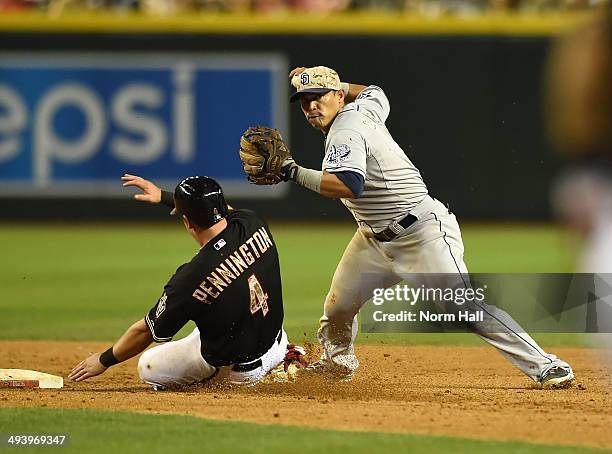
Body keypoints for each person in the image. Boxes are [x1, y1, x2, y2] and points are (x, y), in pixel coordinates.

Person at [273, 65, 575, 387]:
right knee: (338, 309)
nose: (311, 106)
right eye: (305, 100)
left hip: (421, 233)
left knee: (464, 308)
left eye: (318, 97)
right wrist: (329, 82)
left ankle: (546, 364)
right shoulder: (363, 106)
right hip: (372, 241)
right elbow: (375, 91)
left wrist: (291, 171)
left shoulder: (346, 130)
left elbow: (348, 184)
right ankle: (337, 365)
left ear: (336, 97)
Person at [69, 175, 301, 389]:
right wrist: (165, 197)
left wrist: (103, 359)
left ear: (187, 222)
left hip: (241, 370)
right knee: (212, 312)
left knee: (148, 366)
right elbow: (226, 212)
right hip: (275, 340)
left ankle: (256, 377)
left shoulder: (191, 277)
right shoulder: (252, 222)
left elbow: (145, 331)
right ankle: (284, 357)